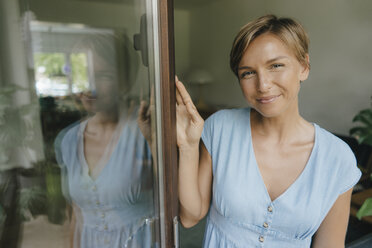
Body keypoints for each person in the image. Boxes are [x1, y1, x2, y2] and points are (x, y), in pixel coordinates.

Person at [176, 14, 361, 247]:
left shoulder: (338, 159)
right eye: (248, 73)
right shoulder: (220, 128)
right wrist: (188, 146)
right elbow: (190, 216)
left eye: (276, 66)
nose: (263, 85)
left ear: (304, 67)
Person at [55, 34, 155, 248]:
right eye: (82, 73)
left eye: (103, 75)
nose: (89, 87)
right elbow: (76, 215)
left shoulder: (146, 130)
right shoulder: (68, 141)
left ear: (124, 80)